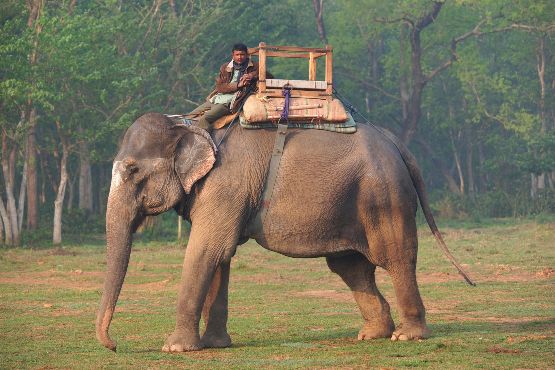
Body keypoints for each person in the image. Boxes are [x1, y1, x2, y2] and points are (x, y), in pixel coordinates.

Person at [188, 43, 260, 131]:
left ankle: (207, 142)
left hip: (231, 102)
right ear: (233, 55)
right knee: (190, 116)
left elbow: (268, 76)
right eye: (237, 55)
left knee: (205, 119)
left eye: (242, 54)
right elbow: (220, 87)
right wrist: (238, 85)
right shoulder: (225, 67)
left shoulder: (255, 66)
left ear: (247, 55)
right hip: (217, 98)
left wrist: (252, 75)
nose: (239, 57)